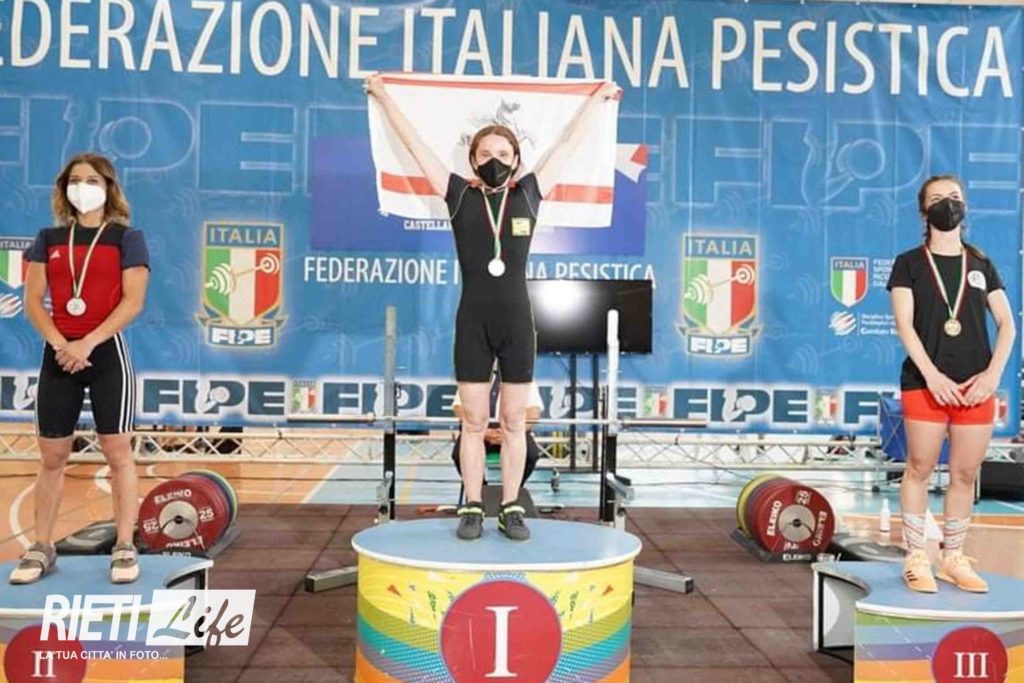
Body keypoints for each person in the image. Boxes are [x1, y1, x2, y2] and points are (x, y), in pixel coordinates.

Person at [366, 74, 617, 540]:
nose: (495, 161)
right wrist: (382, 96)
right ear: (472, 160)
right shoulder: (459, 194)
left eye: (503, 153)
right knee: (475, 422)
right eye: (485, 154)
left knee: (515, 422)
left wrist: (597, 102)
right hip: (473, 322)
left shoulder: (529, 194)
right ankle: (472, 504)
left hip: (518, 322)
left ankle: (511, 506)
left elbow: (568, 145)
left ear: (517, 160)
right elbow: (416, 146)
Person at [9, 153, 149, 584]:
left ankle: (124, 545)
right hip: (59, 355)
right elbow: (33, 301)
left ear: (108, 187)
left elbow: (133, 302)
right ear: (63, 189)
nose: (82, 187)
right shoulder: (49, 238)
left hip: (105, 355)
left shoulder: (127, 238)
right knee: (52, 455)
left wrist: (87, 342)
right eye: (74, 180)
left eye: (91, 180)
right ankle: (42, 546)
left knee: (117, 451)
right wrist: (61, 344)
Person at [887, 174, 1015, 593]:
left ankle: (952, 556)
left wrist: (992, 375)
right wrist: (932, 375)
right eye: (938, 198)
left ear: (965, 207)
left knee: (965, 473)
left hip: (976, 386)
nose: (948, 203)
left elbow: (1007, 324)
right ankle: (915, 556)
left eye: (955, 197)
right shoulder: (908, 263)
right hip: (926, 383)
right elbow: (904, 326)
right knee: (920, 467)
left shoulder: (980, 263)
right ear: (924, 210)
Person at [450, 369, 543, 489]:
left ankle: (515, 489)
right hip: (477, 428)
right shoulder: (472, 376)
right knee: (459, 455)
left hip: (514, 428)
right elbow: (459, 408)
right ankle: (479, 488)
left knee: (531, 455)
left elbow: (534, 413)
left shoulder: (524, 378)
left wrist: (511, 432)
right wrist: (482, 431)